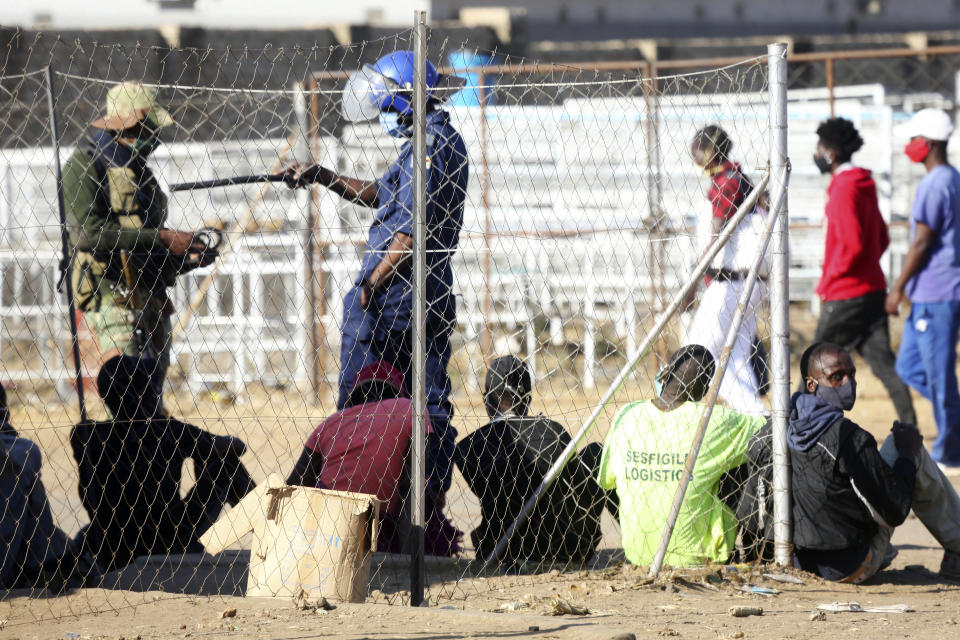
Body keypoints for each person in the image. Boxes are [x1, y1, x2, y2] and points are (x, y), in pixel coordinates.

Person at [281, 51, 468, 508]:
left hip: (396, 300)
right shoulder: (428, 144)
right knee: (420, 401)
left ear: (406, 102)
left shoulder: (429, 149)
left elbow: (408, 233)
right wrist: (322, 175)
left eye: (387, 109)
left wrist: (371, 285)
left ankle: (358, 506)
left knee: (371, 402)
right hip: (415, 292)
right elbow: (380, 196)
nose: (383, 118)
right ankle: (418, 508)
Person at [62, 82, 218, 402]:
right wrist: (163, 237)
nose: (156, 138)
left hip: (151, 301)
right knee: (125, 404)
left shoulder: (140, 172)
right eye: (150, 128)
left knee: (152, 404)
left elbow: (145, 246)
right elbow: (87, 234)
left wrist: (184, 259)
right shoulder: (86, 166)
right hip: (114, 300)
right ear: (131, 125)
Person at [789, 342, 960, 582]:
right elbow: (896, 511)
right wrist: (908, 455)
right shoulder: (850, 438)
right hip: (850, 566)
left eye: (852, 374)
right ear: (811, 384)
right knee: (904, 446)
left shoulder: (780, 427)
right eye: (837, 376)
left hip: (795, 563)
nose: (849, 383)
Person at [70, 356, 254, 571]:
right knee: (224, 465)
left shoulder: (86, 434)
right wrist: (202, 452)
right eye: (156, 388)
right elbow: (236, 447)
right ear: (148, 394)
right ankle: (270, 531)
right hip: (167, 541)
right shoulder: (167, 430)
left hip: (110, 543)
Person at [598, 345, 766, 567]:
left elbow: (606, 481)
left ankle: (648, 538)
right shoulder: (713, 420)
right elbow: (767, 425)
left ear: (664, 374)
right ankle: (757, 555)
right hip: (697, 558)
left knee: (610, 467)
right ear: (705, 388)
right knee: (742, 458)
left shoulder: (628, 414)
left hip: (638, 556)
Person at [287, 360, 462, 556]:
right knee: (421, 494)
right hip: (380, 525)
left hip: (329, 523)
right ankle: (410, 561)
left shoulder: (332, 422)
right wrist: (407, 557)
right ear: (397, 392)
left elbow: (296, 484)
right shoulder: (409, 409)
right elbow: (411, 486)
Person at [455, 356, 616, 567]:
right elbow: (578, 488)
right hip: (565, 548)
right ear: (528, 399)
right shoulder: (553, 431)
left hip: (503, 550)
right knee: (595, 452)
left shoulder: (469, 447)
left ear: (487, 401)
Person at [811, 117, 916, 425]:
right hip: (872, 289)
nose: (816, 153)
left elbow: (852, 244)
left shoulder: (843, 187)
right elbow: (881, 238)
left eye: (819, 147)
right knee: (885, 366)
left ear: (830, 152)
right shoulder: (863, 183)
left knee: (814, 365)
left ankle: (796, 433)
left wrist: (829, 283)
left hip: (845, 293)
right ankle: (912, 433)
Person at [886, 108, 960, 474]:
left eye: (913, 140)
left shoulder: (935, 184)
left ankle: (950, 451)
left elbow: (921, 242)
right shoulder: (951, 178)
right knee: (909, 366)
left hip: (937, 294)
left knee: (939, 376)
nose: (909, 145)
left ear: (928, 144)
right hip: (934, 293)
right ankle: (955, 424)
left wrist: (897, 288)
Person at [685, 125, 769, 416]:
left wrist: (692, 284)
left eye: (697, 150)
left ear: (709, 152)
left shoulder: (728, 183)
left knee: (697, 354)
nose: (694, 156)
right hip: (745, 281)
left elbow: (717, 237)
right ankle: (758, 422)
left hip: (731, 282)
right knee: (733, 361)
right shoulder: (735, 178)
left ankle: (758, 417)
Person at [0, 383, 100, 591]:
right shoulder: (23, 451)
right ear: (5, 413)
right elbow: (41, 517)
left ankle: (54, 560)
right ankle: (54, 562)